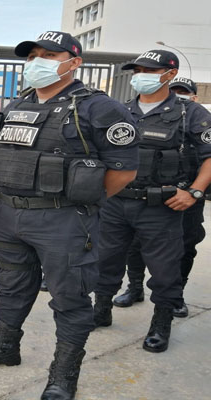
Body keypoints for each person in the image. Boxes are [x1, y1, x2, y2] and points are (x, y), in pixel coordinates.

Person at [0, 32, 139, 400]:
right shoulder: (17, 104)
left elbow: (123, 171)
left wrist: (82, 201)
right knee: (11, 287)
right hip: (8, 213)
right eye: (32, 56)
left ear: (74, 62)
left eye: (49, 56)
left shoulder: (100, 108)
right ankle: (5, 348)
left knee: (69, 298)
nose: (37, 62)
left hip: (63, 220)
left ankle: (63, 376)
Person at [93, 50, 211, 354]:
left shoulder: (189, 112)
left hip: (161, 206)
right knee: (106, 260)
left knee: (164, 269)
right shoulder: (120, 110)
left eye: (149, 71)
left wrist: (194, 192)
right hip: (117, 203)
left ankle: (161, 324)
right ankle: (101, 309)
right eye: (137, 71)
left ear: (169, 75)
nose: (140, 76)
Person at [113, 76, 206, 319]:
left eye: (183, 92)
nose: (178, 95)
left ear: (193, 97)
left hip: (185, 196)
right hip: (148, 196)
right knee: (135, 245)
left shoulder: (194, 116)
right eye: (175, 90)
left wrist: (195, 191)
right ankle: (134, 287)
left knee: (182, 248)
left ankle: (176, 297)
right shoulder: (133, 111)